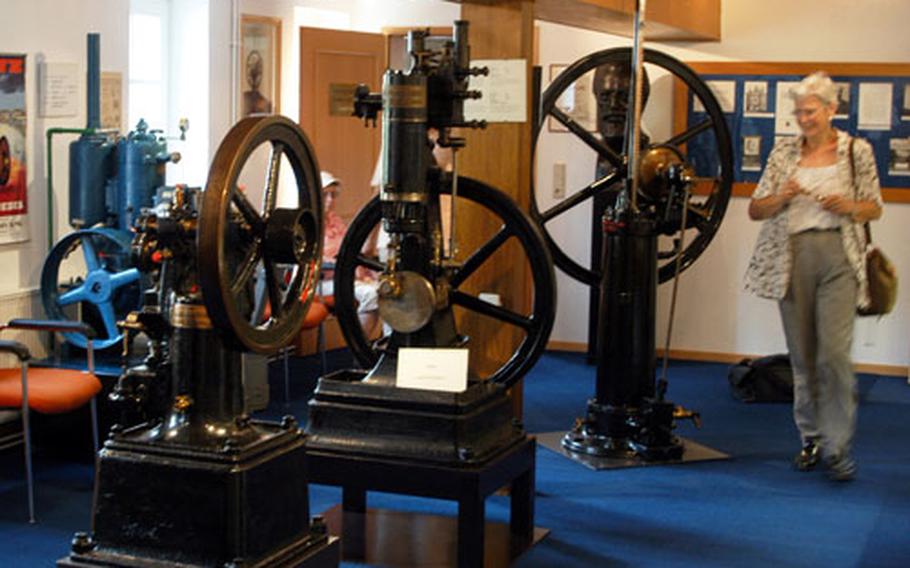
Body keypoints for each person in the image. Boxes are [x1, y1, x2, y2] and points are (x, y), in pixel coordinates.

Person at [744, 71, 883, 481]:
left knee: (834, 356)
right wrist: (782, 196)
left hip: (839, 255)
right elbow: (756, 209)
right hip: (792, 257)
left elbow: (873, 207)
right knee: (803, 357)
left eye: (810, 111)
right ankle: (811, 438)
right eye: (798, 111)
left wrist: (849, 206)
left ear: (831, 109)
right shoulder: (783, 154)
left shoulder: (857, 151)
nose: (803, 118)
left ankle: (838, 446)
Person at [320, 171, 380, 337]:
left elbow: (350, 250)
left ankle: (390, 347)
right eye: (325, 195)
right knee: (371, 294)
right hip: (322, 282)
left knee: (388, 291)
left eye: (333, 195)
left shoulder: (335, 221)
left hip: (346, 275)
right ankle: (360, 347)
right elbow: (314, 261)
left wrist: (366, 272)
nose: (330, 200)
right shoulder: (309, 226)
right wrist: (351, 270)